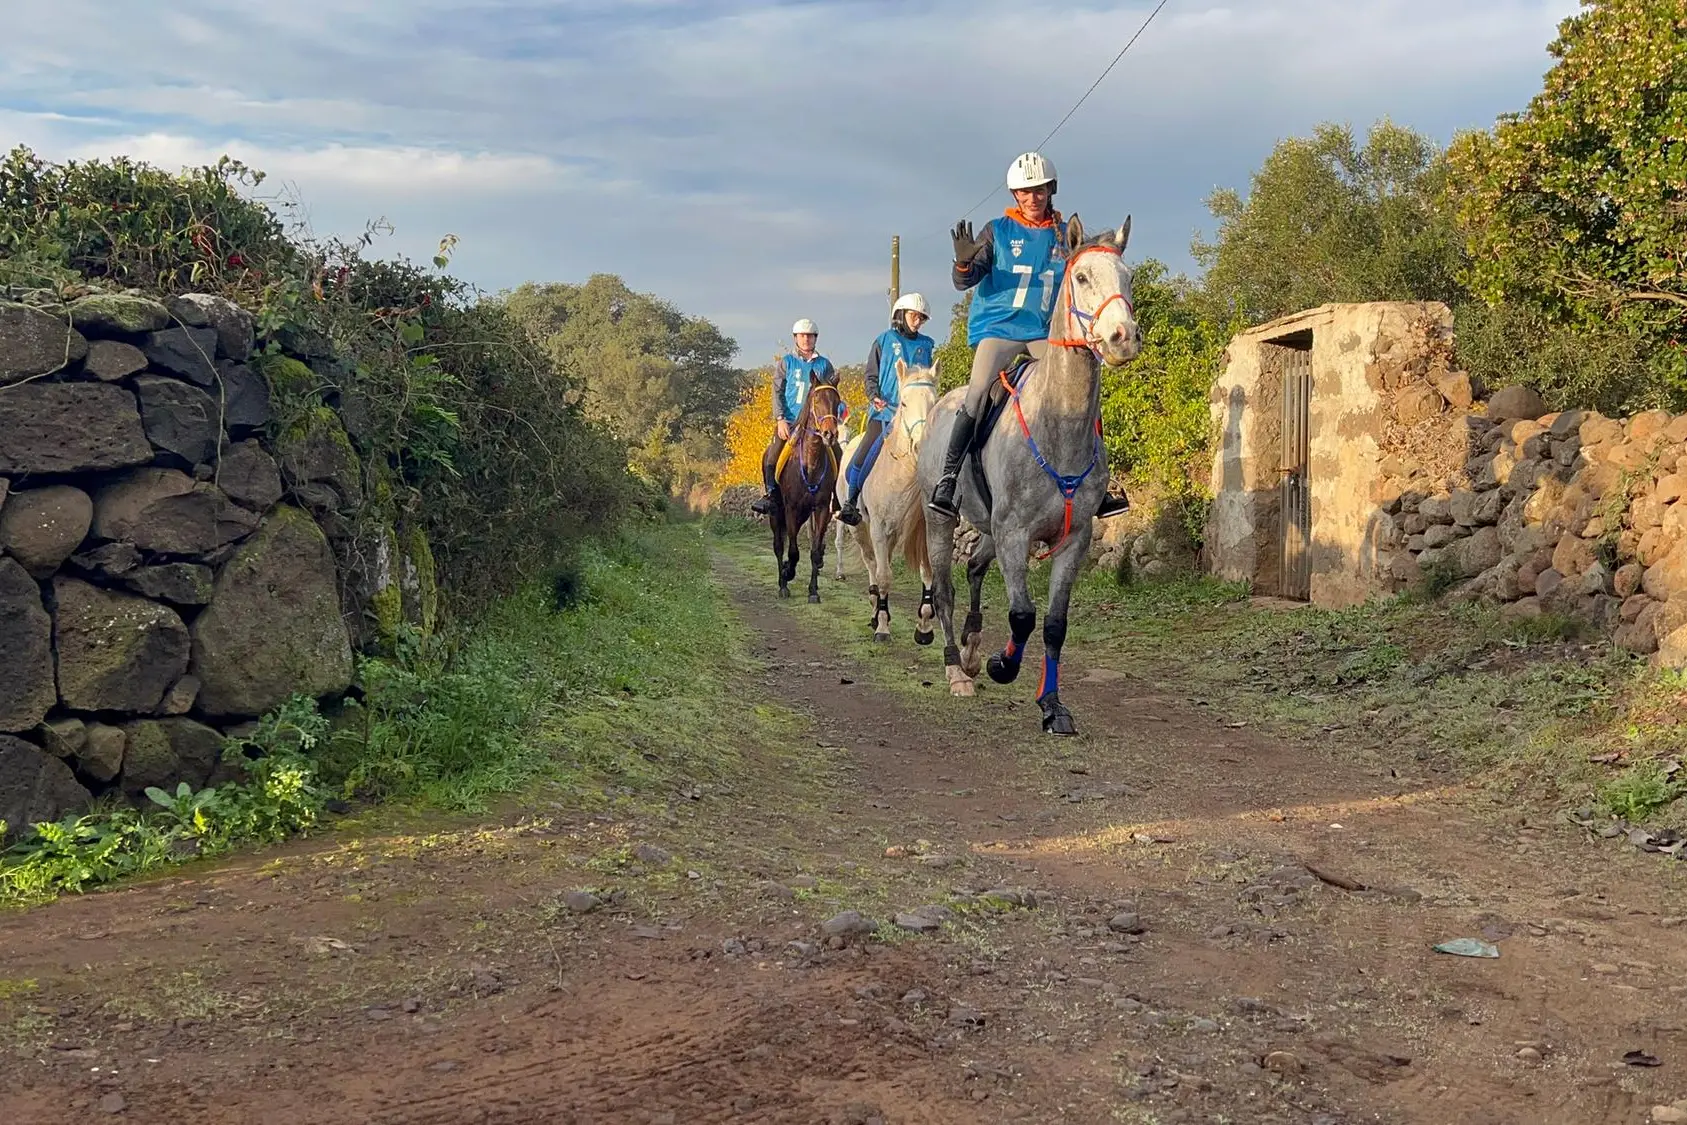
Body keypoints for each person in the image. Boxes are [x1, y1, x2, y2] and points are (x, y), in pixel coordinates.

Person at [927, 150, 1129, 520]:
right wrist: (963, 262)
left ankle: (1101, 486)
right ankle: (948, 480)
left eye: (1039, 191)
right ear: (1014, 195)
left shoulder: (1064, 233)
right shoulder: (998, 231)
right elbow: (964, 282)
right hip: (998, 328)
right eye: (1024, 192)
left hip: (1043, 333)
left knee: (1080, 393)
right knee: (976, 395)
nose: (1032, 198)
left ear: (1051, 190)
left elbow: (1092, 262)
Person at [836, 292, 935, 526]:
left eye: (921, 318)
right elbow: (871, 374)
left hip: (917, 416)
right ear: (901, 315)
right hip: (885, 412)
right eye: (914, 316)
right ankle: (851, 502)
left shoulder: (927, 344)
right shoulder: (884, 340)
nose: (917, 321)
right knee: (863, 454)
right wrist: (874, 396)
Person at [750, 318, 841, 515]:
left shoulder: (824, 365)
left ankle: (837, 497)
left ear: (815, 338)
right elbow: (777, 391)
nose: (806, 339)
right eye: (802, 336)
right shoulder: (787, 363)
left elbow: (830, 393)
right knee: (772, 454)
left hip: (816, 424)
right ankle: (771, 495)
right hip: (790, 420)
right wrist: (780, 418)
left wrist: (833, 418)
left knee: (838, 452)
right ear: (795, 338)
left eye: (810, 336)